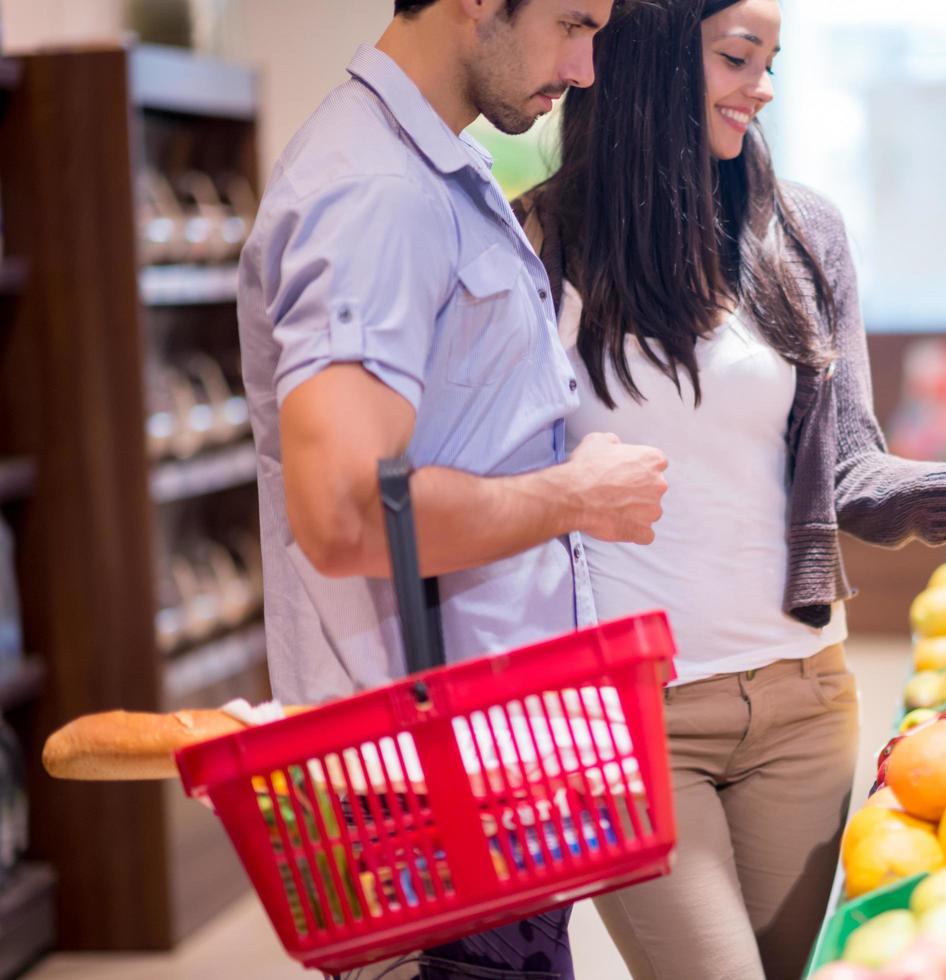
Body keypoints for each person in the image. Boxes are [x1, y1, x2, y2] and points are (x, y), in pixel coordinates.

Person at [515, 2, 946, 976]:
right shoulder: (534, 243)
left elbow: (850, 472)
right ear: (648, 59)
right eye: (734, 56)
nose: (761, 85)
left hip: (801, 699)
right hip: (622, 715)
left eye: (770, 60)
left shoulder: (800, 232)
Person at [236, 1, 669, 977]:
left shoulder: (438, 168)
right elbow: (345, 513)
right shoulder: (373, 192)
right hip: (417, 810)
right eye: (570, 23)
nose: (588, 68)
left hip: (493, 785)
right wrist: (573, 496)